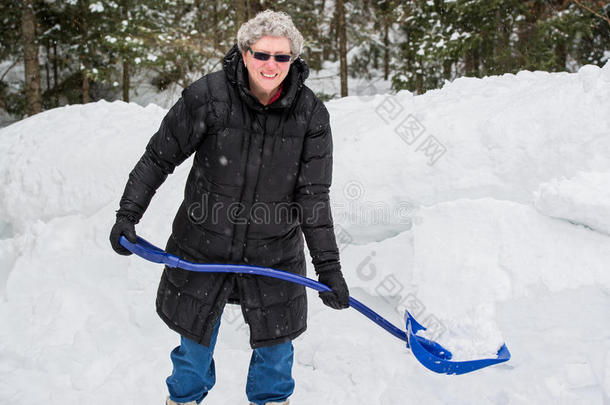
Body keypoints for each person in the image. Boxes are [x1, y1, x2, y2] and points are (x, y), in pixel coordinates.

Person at [109, 10, 349, 405]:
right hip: (202, 248)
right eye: (262, 54)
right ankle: (183, 401)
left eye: (281, 57)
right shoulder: (208, 97)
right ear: (243, 51)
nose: (271, 65)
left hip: (274, 255)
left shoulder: (310, 115)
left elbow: (313, 198)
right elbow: (158, 158)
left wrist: (329, 269)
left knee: (276, 355)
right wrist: (127, 214)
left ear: (294, 60)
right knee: (193, 355)